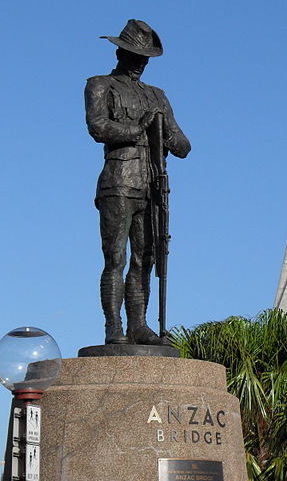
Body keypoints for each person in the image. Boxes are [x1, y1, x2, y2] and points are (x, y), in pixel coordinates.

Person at [84, 19, 191, 346]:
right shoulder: (100, 85)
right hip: (118, 181)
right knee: (115, 257)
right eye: (134, 56)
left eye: (144, 58)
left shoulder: (157, 96)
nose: (140, 64)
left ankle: (139, 325)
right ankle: (113, 326)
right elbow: (98, 127)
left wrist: (168, 133)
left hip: (152, 185)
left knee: (146, 258)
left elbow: (184, 146)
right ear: (120, 52)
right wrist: (140, 128)